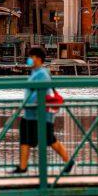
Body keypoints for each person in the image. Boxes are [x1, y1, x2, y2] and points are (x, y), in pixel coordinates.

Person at [12, 46, 74, 175]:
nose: (29, 59)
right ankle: (22, 167)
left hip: (41, 114)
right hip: (30, 114)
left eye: (31, 57)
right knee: (25, 138)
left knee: (49, 139)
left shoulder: (42, 74)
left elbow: (39, 93)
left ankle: (69, 161)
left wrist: (26, 104)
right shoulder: (35, 72)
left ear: (38, 58)